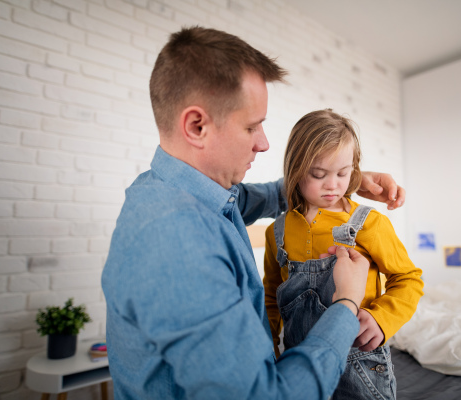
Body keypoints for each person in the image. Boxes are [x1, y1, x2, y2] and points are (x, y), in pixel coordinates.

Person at [102, 26, 406, 399]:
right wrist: (346, 303)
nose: (263, 143)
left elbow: (254, 197)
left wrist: (339, 179)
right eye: (252, 126)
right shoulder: (178, 241)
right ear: (197, 126)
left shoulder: (184, 192)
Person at [263, 109, 424, 400]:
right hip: (301, 364)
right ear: (295, 169)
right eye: (318, 174)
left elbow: (409, 279)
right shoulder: (277, 231)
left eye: (343, 173)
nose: (333, 184)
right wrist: (268, 347)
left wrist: (382, 319)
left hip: (361, 365)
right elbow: (271, 297)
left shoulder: (370, 223)